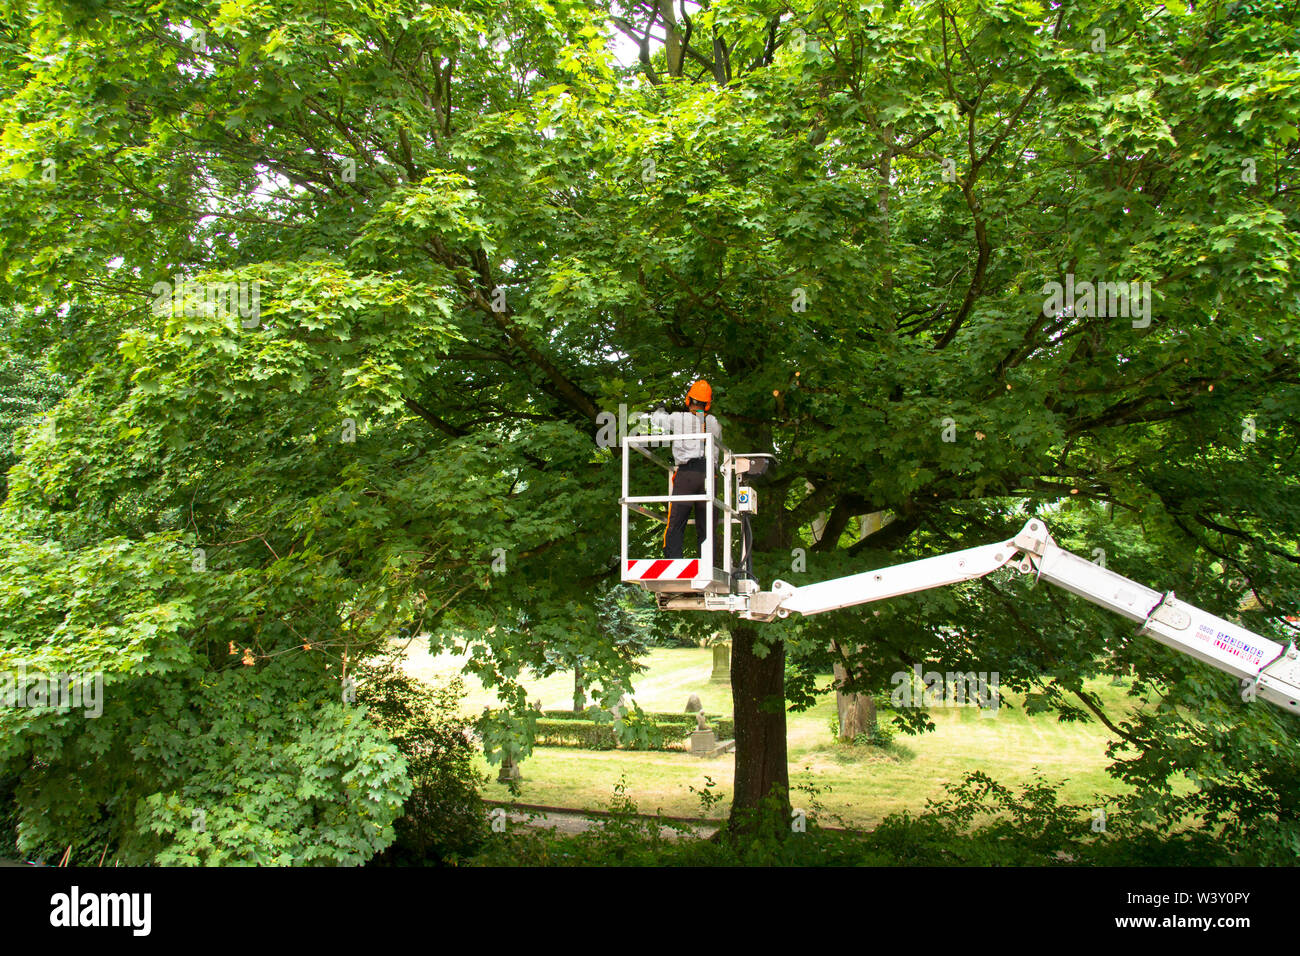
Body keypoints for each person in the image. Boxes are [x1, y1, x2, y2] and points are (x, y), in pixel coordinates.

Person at [651, 380, 722, 561]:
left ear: (689, 399)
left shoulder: (679, 418)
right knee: (707, 526)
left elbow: (657, 421)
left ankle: (673, 561)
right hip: (710, 477)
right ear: (707, 404)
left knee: (676, 521)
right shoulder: (714, 422)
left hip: (687, 475)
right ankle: (708, 564)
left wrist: (659, 409)